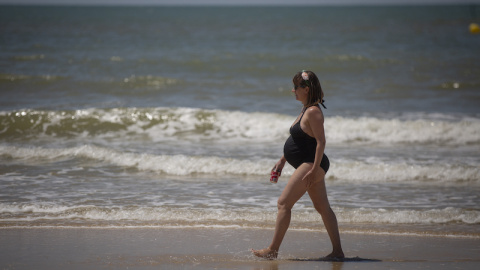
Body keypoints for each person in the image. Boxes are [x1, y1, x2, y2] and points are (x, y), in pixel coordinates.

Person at [251, 70, 344, 260]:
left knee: (283, 203)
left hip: (311, 164)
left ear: (306, 89)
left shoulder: (313, 111)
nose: (293, 90)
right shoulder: (305, 108)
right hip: (308, 163)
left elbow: (321, 142)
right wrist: (282, 160)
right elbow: (299, 140)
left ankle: (272, 250)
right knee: (322, 207)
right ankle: (338, 252)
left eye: (296, 87)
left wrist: (312, 170)